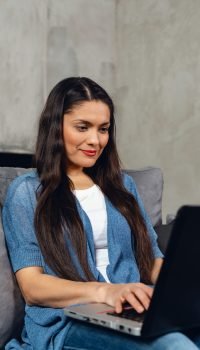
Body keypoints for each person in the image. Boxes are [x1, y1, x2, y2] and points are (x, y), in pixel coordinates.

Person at [2, 77, 200, 350]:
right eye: (82, 127)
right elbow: (33, 287)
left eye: (103, 129)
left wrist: (187, 290)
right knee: (174, 346)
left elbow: (153, 260)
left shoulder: (122, 186)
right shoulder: (27, 192)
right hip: (67, 323)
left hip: (132, 308)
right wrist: (106, 291)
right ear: (55, 127)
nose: (95, 140)